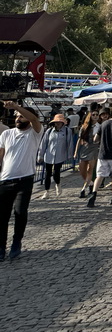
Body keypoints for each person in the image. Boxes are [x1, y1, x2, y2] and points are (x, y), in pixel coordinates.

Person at [0, 102, 43, 260]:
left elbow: (34, 119)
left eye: (21, 116)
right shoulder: (6, 134)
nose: (18, 118)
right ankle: (1, 247)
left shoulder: (35, 132)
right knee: (2, 216)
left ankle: (16, 242)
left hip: (24, 180)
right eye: (17, 116)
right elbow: (1, 156)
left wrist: (17, 107)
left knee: (20, 212)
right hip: (5, 180)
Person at [38, 113, 75, 199]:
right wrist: (40, 155)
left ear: (63, 123)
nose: (58, 123)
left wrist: (69, 154)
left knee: (56, 172)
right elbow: (44, 143)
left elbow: (70, 143)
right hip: (49, 154)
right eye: (56, 122)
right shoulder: (49, 131)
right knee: (47, 174)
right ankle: (46, 191)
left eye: (59, 122)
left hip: (60, 155)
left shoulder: (67, 131)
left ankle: (57, 184)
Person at [74, 109, 100, 198]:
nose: (95, 116)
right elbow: (79, 139)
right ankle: (90, 183)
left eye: (97, 114)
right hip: (84, 148)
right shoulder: (84, 127)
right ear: (90, 116)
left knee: (90, 170)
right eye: (94, 114)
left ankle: (83, 189)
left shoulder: (99, 126)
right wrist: (75, 152)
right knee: (82, 170)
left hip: (94, 149)